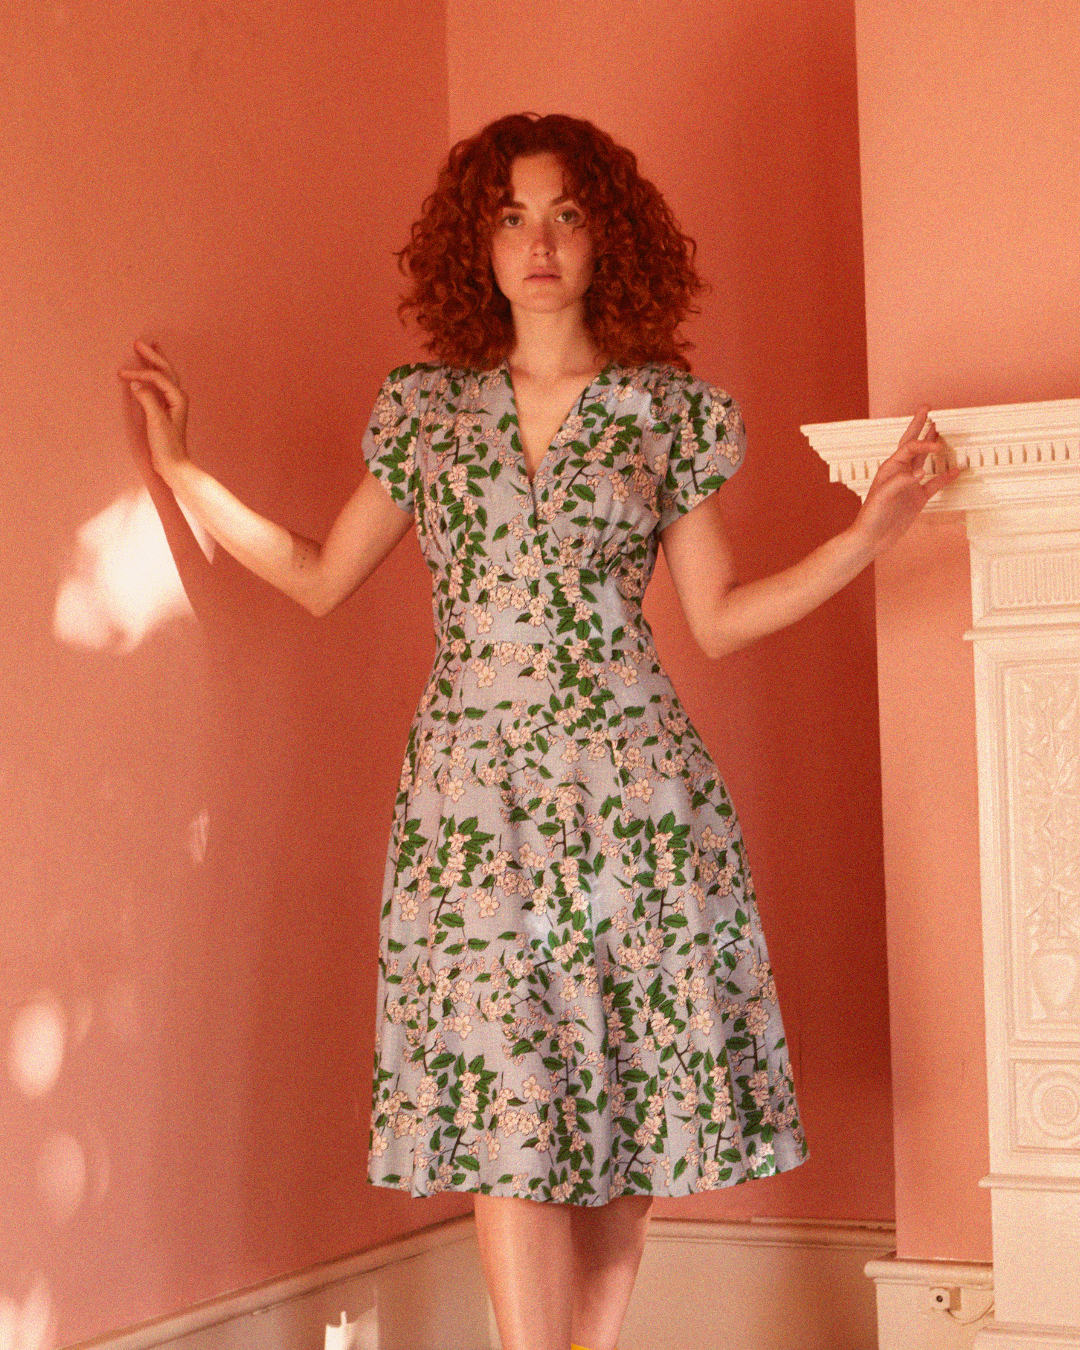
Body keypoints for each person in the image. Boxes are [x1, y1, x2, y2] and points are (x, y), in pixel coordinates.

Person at [118, 111, 960, 1350]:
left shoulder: (660, 411)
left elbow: (716, 620)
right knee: (500, 1088)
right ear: (478, 241)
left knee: (619, 1090)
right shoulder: (427, 413)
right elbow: (315, 575)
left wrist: (863, 538)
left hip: (635, 782)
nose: (540, 240)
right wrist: (186, 474)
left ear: (605, 233)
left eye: (565, 212)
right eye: (511, 215)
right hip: (472, 798)